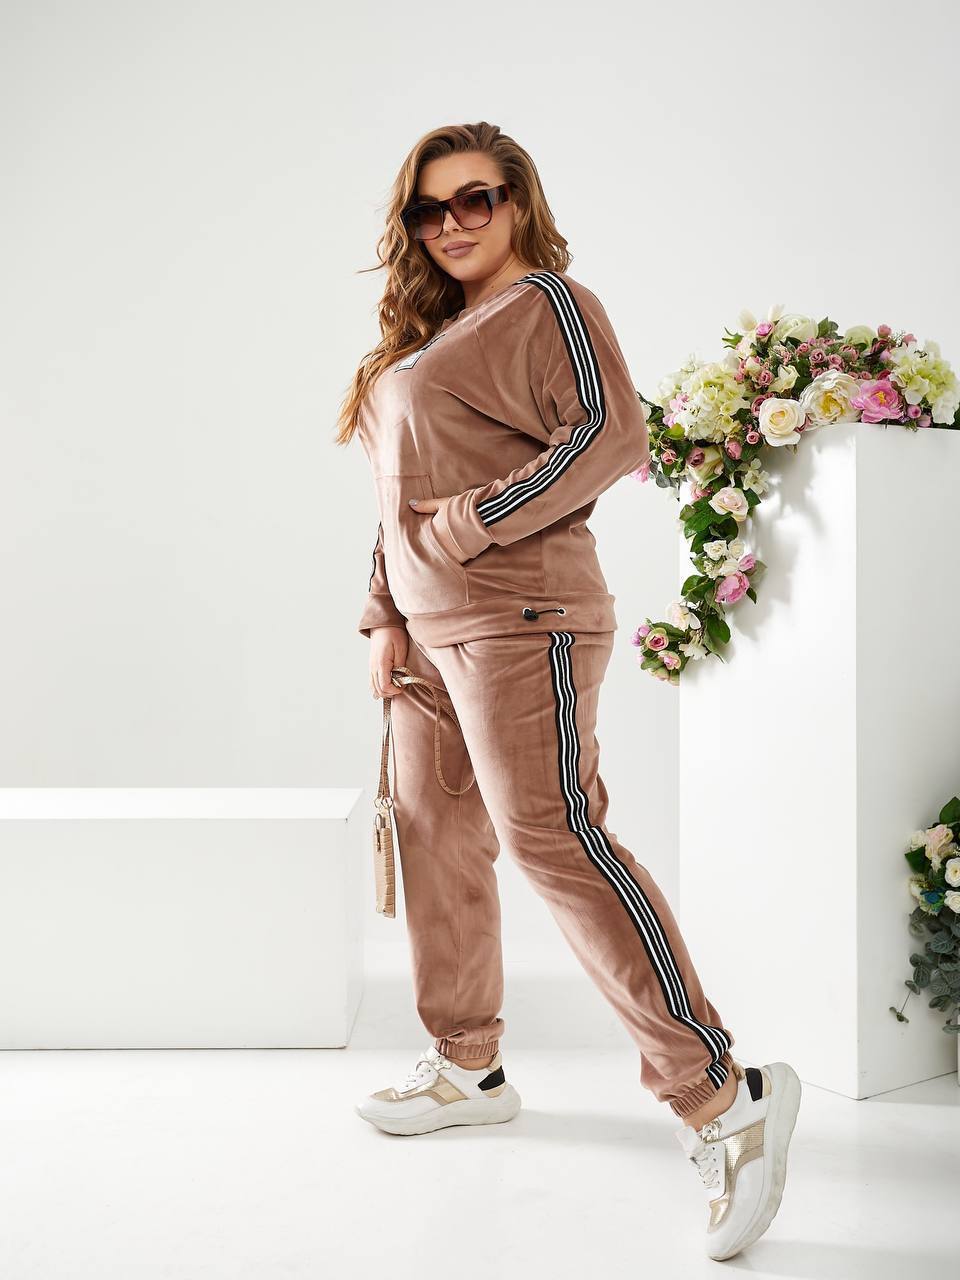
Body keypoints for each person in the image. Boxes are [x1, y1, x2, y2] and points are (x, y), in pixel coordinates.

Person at [336, 120, 800, 1261]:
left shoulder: (548, 303)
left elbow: (610, 434)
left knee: (555, 839)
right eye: (429, 209)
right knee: (438, 838)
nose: (453, 223)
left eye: (476, 199)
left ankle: (721, 1092)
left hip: (521, 618)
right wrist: (384, 610)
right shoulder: (428, 338)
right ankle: (468, 1064)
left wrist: (469, 526)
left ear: (518, 202)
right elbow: (396, 492)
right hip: (429, 638)